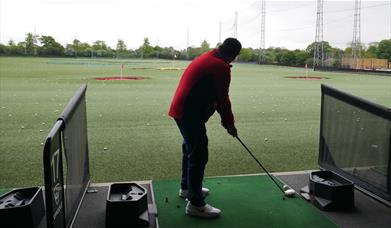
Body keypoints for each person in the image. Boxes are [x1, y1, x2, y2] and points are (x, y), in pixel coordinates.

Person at [168, 38, 241, 218]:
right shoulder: (220, 66)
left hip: (183, 109)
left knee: (191, 149)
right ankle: (195, 204)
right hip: (188, 112)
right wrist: (229, 123)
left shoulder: (209, 56)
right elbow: (223, 98)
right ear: (233, 55)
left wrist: (226, 121)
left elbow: (212, 94)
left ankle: (187, 189)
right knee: (199, 153)